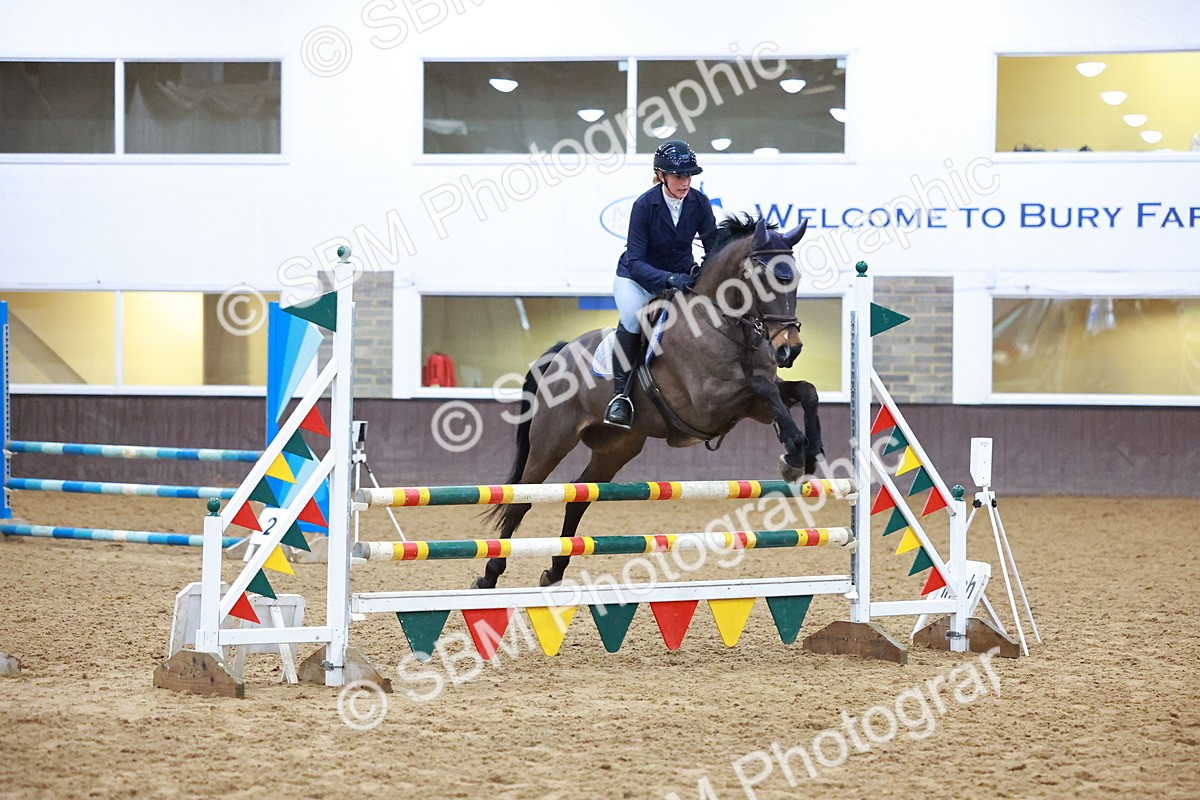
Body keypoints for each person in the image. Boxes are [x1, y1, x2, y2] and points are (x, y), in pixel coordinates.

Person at [604, 139, 718, 429]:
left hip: (678, 279)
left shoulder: (699, 203)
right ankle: (620, 397)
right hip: (637, 279)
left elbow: (713, 246)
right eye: (679, 176)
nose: (685, 182)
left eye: (689, 175)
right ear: (661, 175)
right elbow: (635, 261)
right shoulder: (644, 206)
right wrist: (668, 278)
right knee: (632, 318)